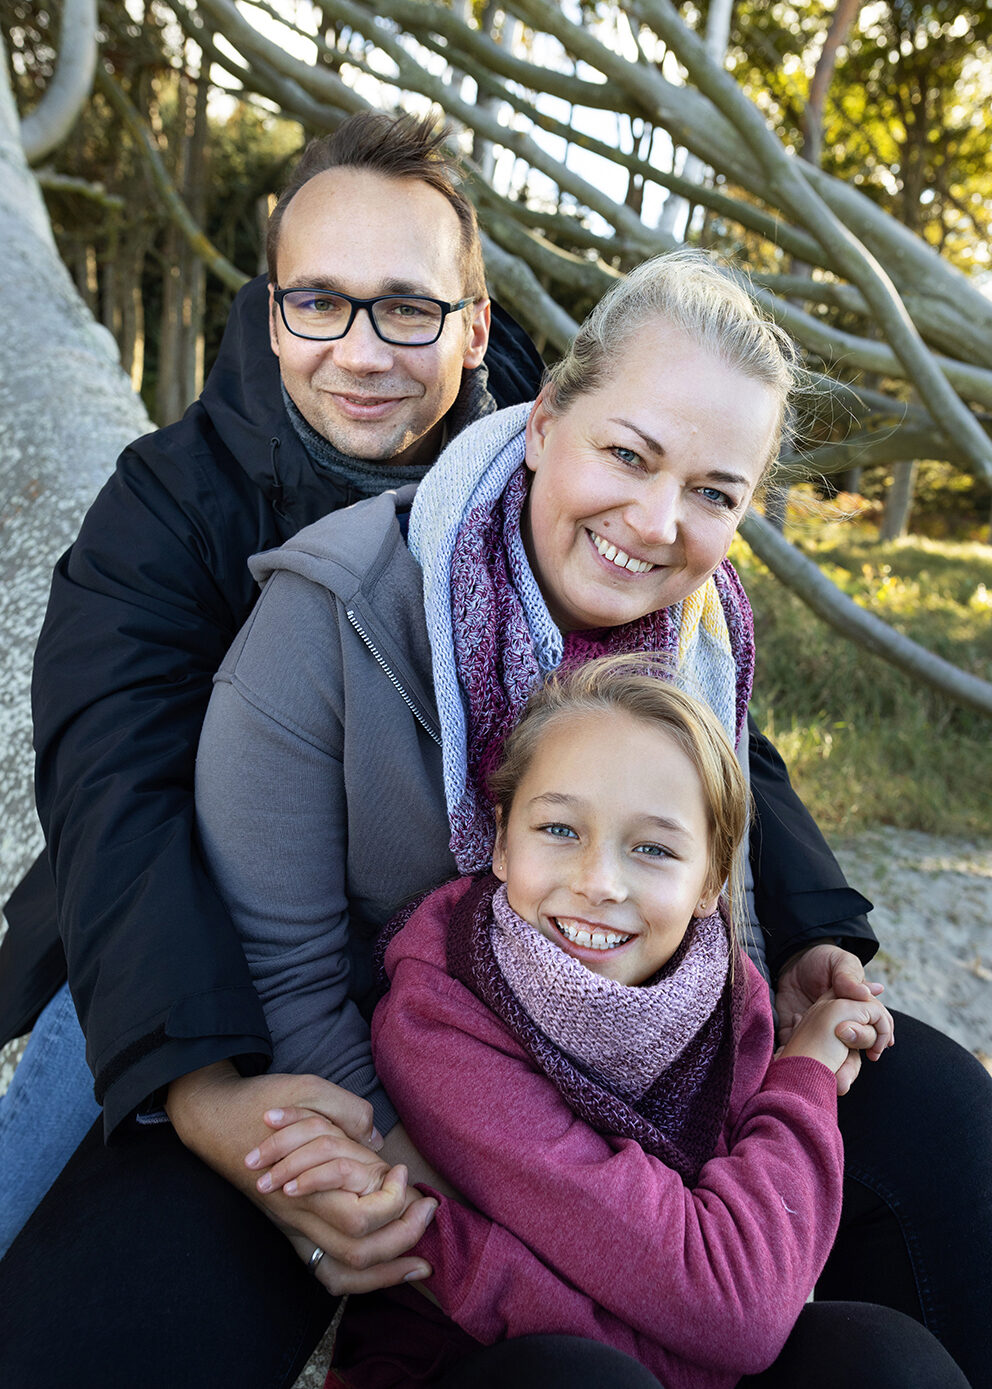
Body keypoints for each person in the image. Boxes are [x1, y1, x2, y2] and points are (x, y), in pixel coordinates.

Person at [182, 250, 983, 1386]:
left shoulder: (704, 635)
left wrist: (814, 961)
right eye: (627, 453)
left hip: (659, 1154)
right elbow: (283, 968)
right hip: (433, 1119)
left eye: (714, 492)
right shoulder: (337, 615)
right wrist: (408, 1189)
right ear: (544, 422)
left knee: (923, 1166)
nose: (658, 522)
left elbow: (729, 872)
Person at [0, 108, 542, 1369]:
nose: (359, 351)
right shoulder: (163, 504)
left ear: (471, 328)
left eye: (406, 309)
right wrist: (209, 1099)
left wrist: (815, 924)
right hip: (192, 938)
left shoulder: (548, 481)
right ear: (271, 307)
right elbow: (113, 793)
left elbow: (677, 677)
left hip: (450, 971)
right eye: (320, 303)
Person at [263, 656, 907, 1387]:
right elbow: (737, 1305)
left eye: (655, 848)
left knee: (887, 1357)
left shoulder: (727, 993)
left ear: (713, 883)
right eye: (561, 828)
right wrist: (807, 1073)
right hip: (477, 1364)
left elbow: (742, 1275)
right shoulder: (440, 1017)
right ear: (503, 841)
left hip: (678, 1343)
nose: (599, 882)